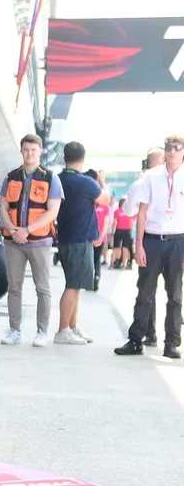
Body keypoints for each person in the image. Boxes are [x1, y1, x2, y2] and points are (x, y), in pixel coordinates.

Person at [114, 134, 184, 359]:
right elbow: (142, 213)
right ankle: (136, 340)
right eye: (168, 148)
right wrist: (139, 244)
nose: (172, 152)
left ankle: (171, 343)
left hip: (178, 241)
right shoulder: (152, 177)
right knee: (144, 293)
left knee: (175, 295)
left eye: (177, 148)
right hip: (152, 240)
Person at [0, 134, 64, 348]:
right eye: (26, 150)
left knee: (42, 288)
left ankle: (42, 331)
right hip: (13, 241)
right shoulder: (11, 177)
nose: (29, 154)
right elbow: (3, 207)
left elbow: (53, 211)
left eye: (34, 150)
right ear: (21, 151)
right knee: (14, 287)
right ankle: (14, 330)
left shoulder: (51, 178)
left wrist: (27, 230)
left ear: (40, 151)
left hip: (40, 241)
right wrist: (13, 229)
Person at [55, 143, 110, 344]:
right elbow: (105, 199)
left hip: (66, 238)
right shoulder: (86, 182)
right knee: (72, 285)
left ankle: (72, 327)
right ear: (83, 158)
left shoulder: (58, 179)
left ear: (64, 158)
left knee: (75, 284)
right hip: (79, 240)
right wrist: (102, 181)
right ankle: (63, 330)